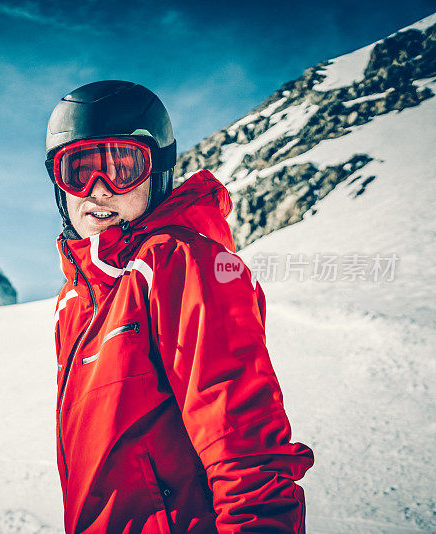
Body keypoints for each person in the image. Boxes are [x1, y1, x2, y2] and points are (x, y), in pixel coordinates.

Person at [45, 80, 314, 533]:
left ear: (159, 172)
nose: (99, 189)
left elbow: (242, 442)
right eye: (78, 170)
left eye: (122, 167)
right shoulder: (74, 302)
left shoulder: (180, 261)